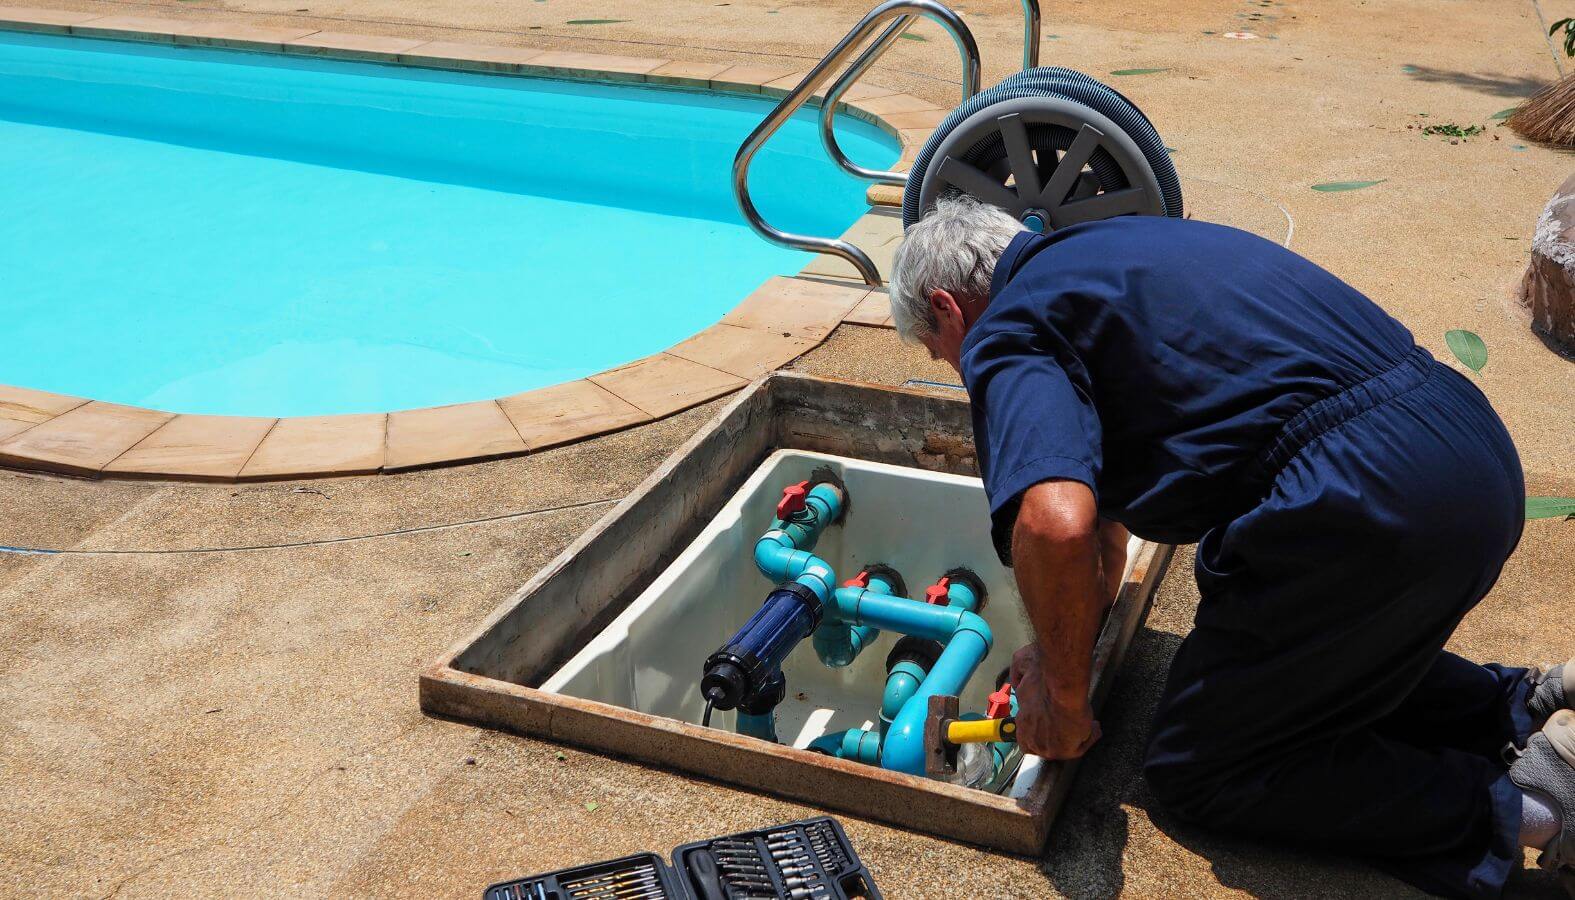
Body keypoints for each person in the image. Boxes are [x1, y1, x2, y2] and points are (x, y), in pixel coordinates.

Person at [888, 195, 1571, 898]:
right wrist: (1061, 651)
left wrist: (1062, 706)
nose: (952, 366)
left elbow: (1052, 524)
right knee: (1265, 664)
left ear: (946, 307)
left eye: (937, 351)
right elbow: (1100, 534)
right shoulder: (1110, 251)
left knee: (1200, 766)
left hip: (1370, 500)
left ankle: (1538, 809)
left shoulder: (1007, 326)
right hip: (1464, 452)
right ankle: (1522, 702)